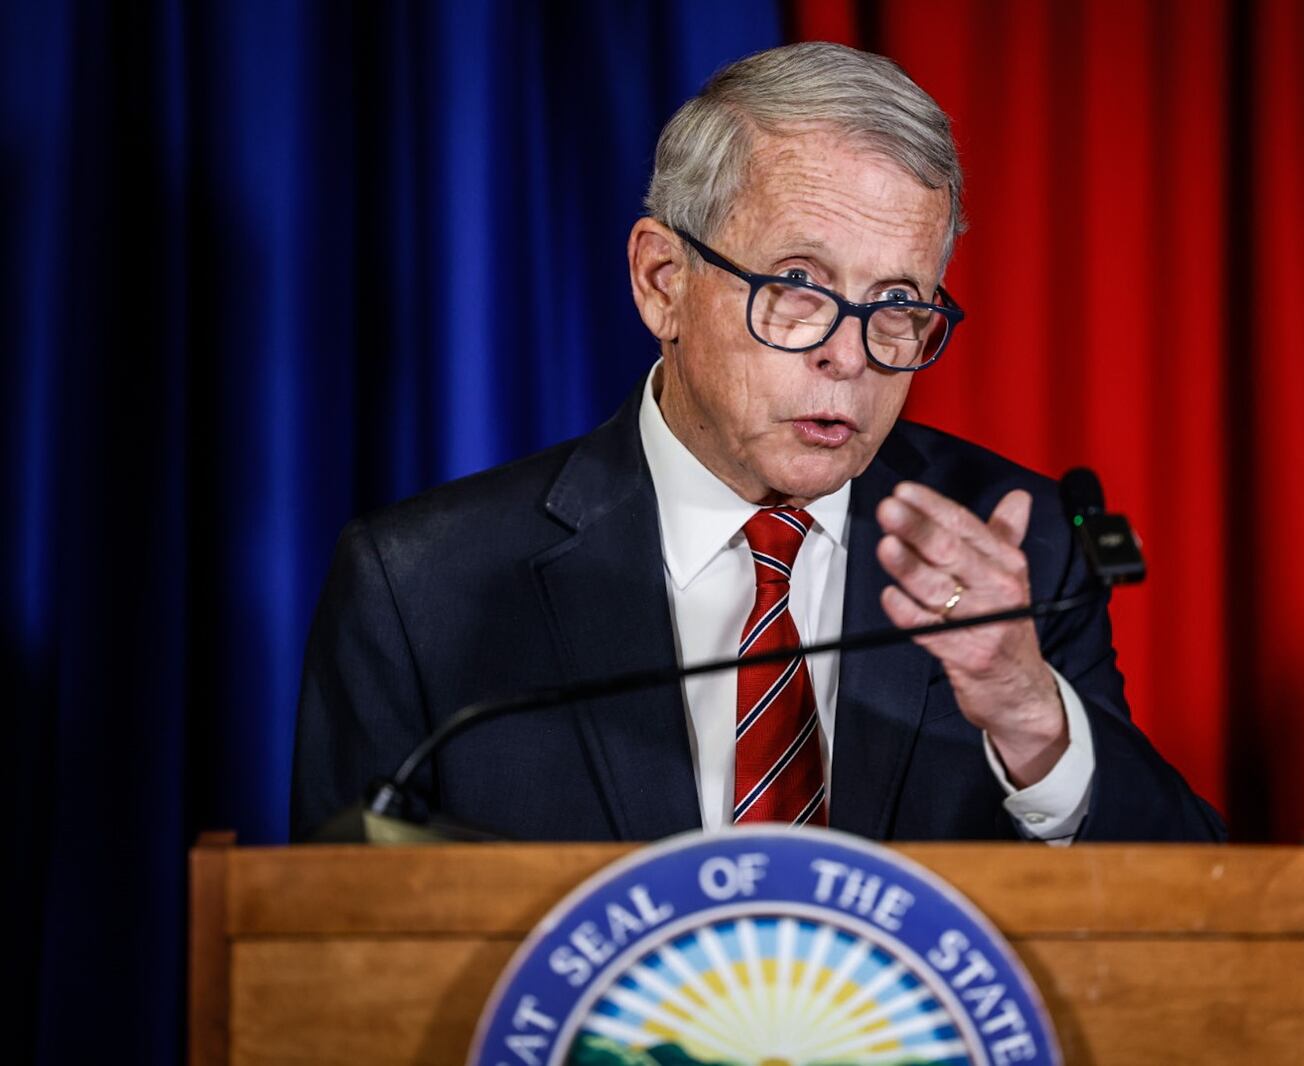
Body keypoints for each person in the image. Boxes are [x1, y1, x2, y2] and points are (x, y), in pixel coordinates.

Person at [290, 42, 1223, 844]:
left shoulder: (1016, 553)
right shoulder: (421, 586)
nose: (850, 355)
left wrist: (1029, 715)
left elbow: (1188, 905)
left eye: (897, 305)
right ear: (662, 281)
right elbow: (338, 964)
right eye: (797, 285)